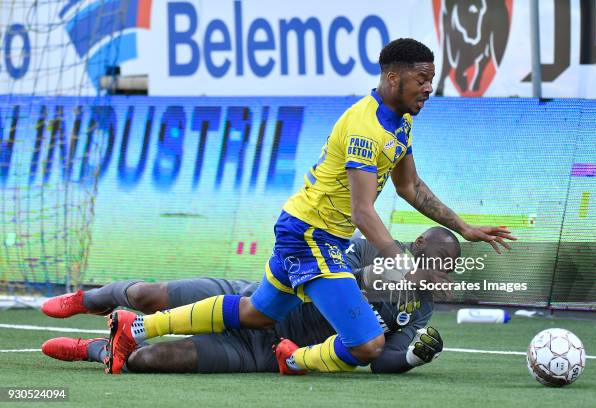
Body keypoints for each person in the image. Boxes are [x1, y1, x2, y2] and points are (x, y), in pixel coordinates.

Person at [103, 38, 516, 375]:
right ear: (393, 78)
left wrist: (464, 228)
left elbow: (411, 188)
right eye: (422, 79)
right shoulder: (365, 128)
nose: (429, 87)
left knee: (255, 312)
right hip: (311, 236)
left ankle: (136, 327)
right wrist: (401, 261)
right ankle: (295, 361)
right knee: (369, 342)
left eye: (431, 79)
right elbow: (362, 212)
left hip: (304, 228)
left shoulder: (401, 122)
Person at [42, 228, 459, 374]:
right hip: (250, 302)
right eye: (437, 263)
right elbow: (318, 276)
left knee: (147, 362)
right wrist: (383, 278)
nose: (440, 275)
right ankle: (89, 299)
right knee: (145, 295)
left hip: (261, 353)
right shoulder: (367, 250)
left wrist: (412, 358)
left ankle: (94, 350)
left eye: (447, 271)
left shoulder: (419, 309)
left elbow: (379, 360)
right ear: (417, 245)